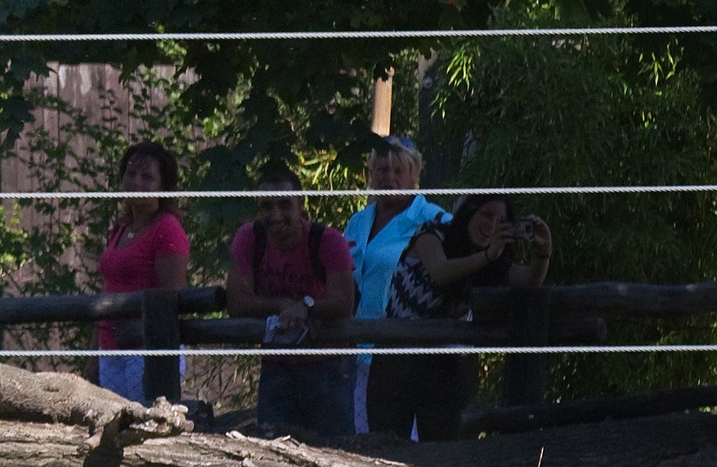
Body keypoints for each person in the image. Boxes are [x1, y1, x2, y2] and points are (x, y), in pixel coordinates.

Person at [367, 194, 553, 441]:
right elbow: (440, 272)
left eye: (501, 221)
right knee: (385, 442)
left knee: (445, 447)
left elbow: (529, 281)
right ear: (468, 213)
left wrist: (543, 251)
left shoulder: (490, 259)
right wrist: (488, 256)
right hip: (397, 359)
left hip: (448, 366)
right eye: (486, 215)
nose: (491, 225)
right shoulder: (432, 233)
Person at [225, 170, 357, 436]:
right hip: (278, 364)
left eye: (285, 205)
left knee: (334, 449)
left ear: (301, 204)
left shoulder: (328, 241)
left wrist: (306, 306)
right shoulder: (250, 238)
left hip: (329, 364)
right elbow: (236, 302)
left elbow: (344, 302)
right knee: (273, 447)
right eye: (267, 206)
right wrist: (283, 305)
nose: (276, 215)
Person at [341, 134, 448, 430]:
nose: (389, 178)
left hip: (406, 352)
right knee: (356, 437)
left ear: (414, 176)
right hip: (356, 351)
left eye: (398, 171)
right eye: (382, 170)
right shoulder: (358, 221)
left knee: (400, 440)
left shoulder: (434, 219)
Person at [94, 142, 187, 401]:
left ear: (163, 187)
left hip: (146, 352)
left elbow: (171, 297)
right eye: (131, 173)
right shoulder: (121, 228)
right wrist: (93, 353)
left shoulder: (167, 229)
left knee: (146, 420)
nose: (136, 182)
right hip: (109, 349)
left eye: (147, 177)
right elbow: (106, 291)